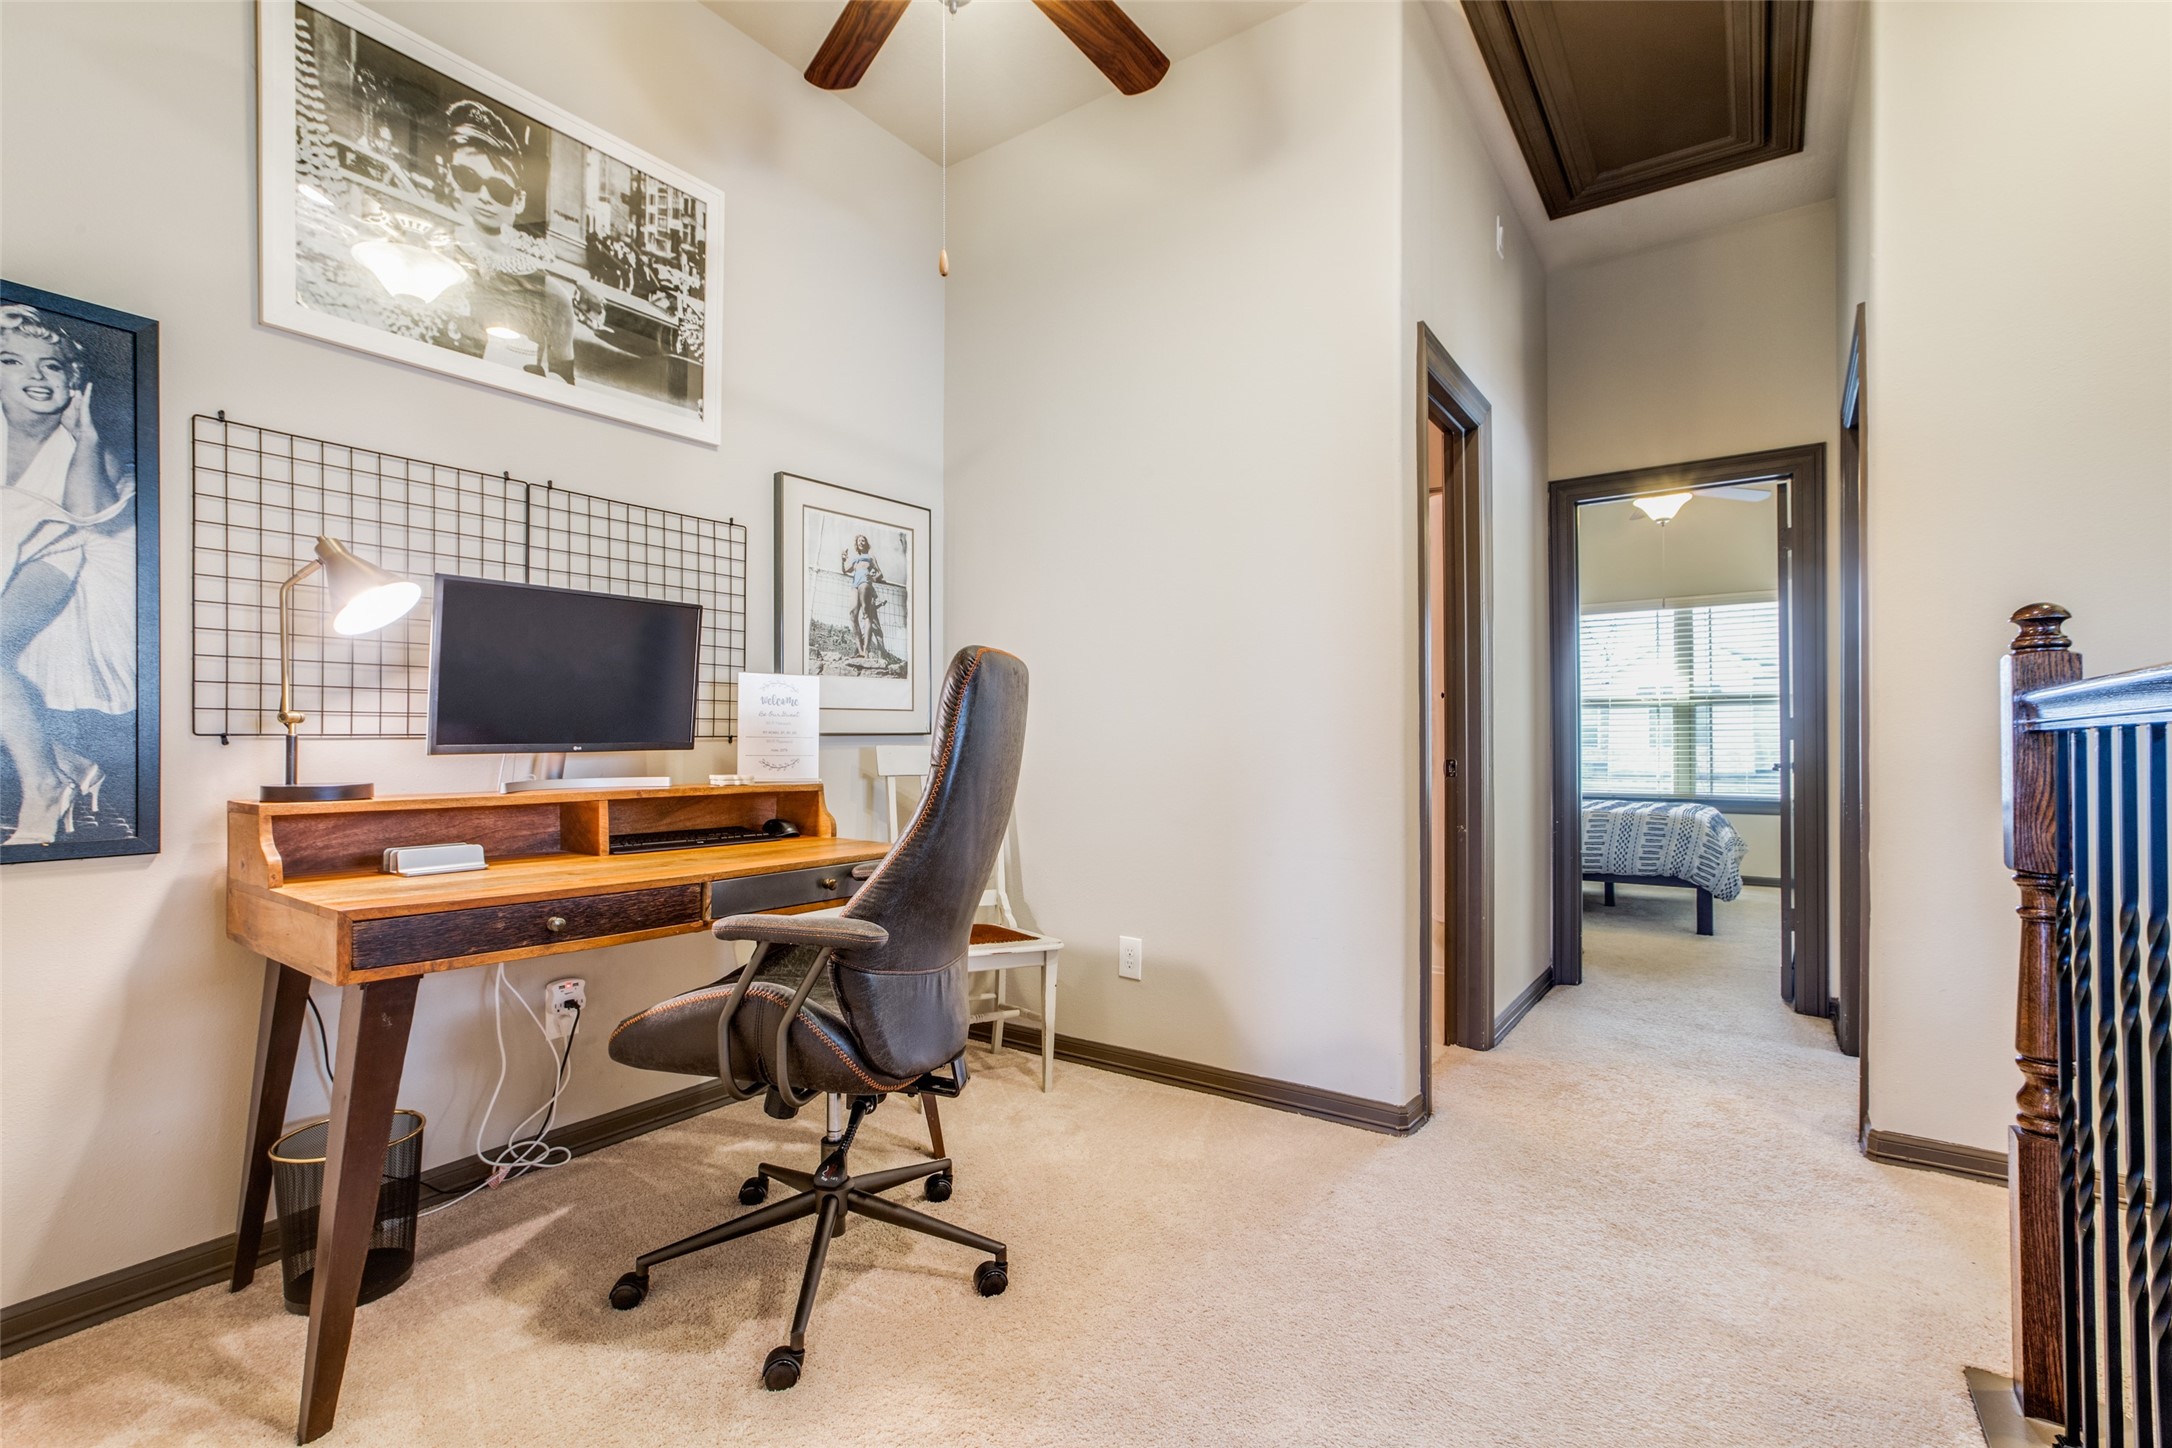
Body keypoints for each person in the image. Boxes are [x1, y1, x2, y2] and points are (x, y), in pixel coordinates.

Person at [0, 305, 134, 846]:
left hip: (73, 552)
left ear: (73, 380)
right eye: (13, 360)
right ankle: (71, 765)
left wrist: (86, 439)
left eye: (51, 365)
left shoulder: (89, 447)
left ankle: (45, 786)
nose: (35, 376)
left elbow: (89, 517)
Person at [440, 98, 578, 385]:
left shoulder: (552, 296)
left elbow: (563, 384)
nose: (484, 197)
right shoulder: (439, 256)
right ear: (452, 178)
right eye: (468, 178)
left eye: (499, 189)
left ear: (519, 200)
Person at [839, 533, 886, 661]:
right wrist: (843, 561)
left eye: (863, 540)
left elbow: (880, 573)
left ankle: (866, 650)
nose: (861, 542)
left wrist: (873, 578)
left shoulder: (870, 556)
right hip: (854, 584)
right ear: (856, 544)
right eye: (859, 541)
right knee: (853, 614)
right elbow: (845, 570)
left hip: (865, 582)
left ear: (866, 543)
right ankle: (860, 650)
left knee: (866, 613)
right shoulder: (855, 559)